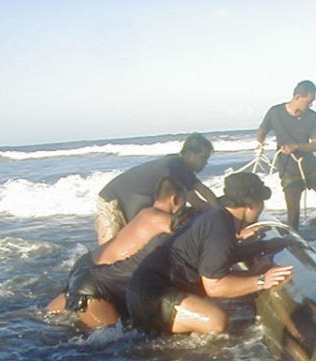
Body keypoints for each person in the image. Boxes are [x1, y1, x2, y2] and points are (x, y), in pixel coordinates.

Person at [126, 172, 293, 336]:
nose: (261, 207)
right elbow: (215, 286)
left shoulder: (217, 218)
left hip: (144, 290)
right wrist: (262, 281)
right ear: (251, 204)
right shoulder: (220, 227)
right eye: (261, 202)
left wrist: (264, 246)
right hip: (151, 296)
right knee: (216, 321)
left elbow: (225, 254)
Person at [47, 176, 187, 329]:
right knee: (112, 338)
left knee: (45, 318)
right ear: (175, 200)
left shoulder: (144, 214)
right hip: (98, 283)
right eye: (184, 202)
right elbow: (193, 231)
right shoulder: (161, 220)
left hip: (86, 267)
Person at [95, 133, 219, 244]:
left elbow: (203, 189)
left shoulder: (182, 166)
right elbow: (195, 200)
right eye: (203, 158)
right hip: (112, 201)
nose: (205, 163)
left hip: (132, 203)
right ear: (189, 154)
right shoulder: (174, 166)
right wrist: (220, 215)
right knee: (110, 248)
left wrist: (218, 208)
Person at [256, 80, 316, 230]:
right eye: (309, 101)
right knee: (293, 217)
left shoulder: (312, 116)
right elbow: (262, 130)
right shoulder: (275, 112)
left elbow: (315, 145)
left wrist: (295, 146)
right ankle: (295, 246)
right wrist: (261, 143)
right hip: (288, 169)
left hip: (311, 168)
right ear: (297, 97)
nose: (311, 105)